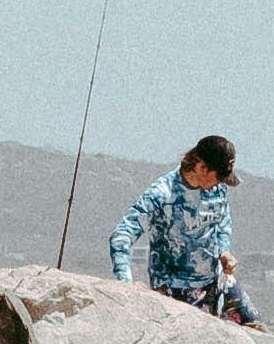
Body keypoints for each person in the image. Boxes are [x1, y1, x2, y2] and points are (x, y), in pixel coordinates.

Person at [109, 136, 262, 325]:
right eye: (217, 176)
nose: (219, 183)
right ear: (201, 167)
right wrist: (126, 286)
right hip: (177, 289)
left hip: (216, 281)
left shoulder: (217, 189)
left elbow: (222, 222)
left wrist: (224, 250)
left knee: (257, 328)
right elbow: (121, 236)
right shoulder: (162, 194)